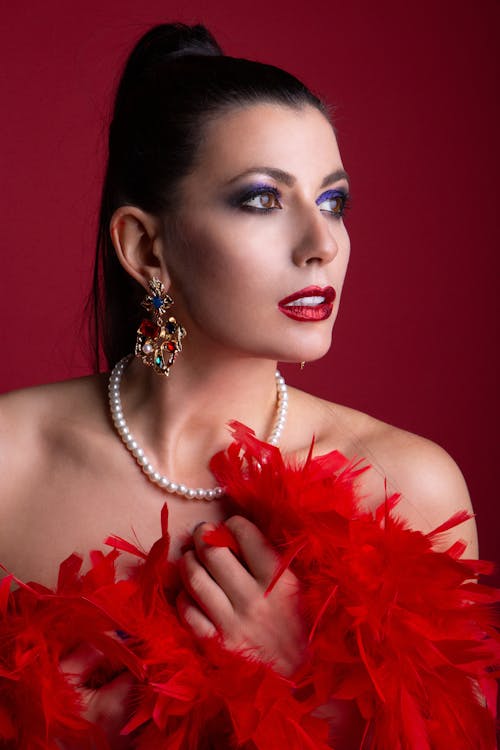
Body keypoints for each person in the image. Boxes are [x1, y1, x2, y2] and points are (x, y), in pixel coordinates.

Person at [0, 22, 497, 750]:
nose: (321, 244)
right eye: (263, 199)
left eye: (333, 202)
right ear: (144, 246)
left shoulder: (408, 488)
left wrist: (317, 695)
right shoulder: (10, 463)